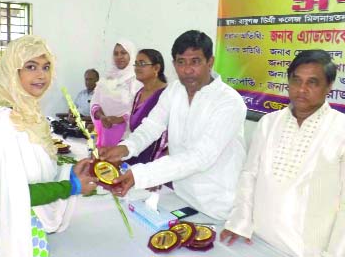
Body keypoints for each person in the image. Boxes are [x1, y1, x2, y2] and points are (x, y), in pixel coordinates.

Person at [0, 35, 98, 257]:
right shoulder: (3, 121)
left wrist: (68, 173)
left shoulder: (23, 113)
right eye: (31, 66)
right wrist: (71, 187)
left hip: (9, 224)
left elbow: (26, 173)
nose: (41, 75)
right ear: (12, 71)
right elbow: (12, 193)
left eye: (46, 67)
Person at [100, 30, 247, 220]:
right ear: (173, 64)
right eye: (181, 62)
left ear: (210, 62)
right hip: (181, 196)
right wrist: (125, 148)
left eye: (195, 61)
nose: (187, 70)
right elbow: (152, 126)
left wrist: (140, 175)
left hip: (218, 205)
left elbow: (200, 157)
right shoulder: (174, 90)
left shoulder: (229, 102)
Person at [220, 50, 345, 257]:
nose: (302, 89)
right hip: (257, 240)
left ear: (328, 87)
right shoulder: (269, 122)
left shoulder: (340, 129)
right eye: (296, 81)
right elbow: (249, 175)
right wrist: (240, 222)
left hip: (308, 250)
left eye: (312, 82)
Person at [90, 39, 142, 147]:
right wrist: (102, 116)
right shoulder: (107, 78)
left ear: (131, 55)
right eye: (116, 53)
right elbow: (95, 102)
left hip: (126, 136)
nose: (119, 57)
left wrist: (120, 119)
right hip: (105, 132)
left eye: (123, 53)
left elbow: (139, 109)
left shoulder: (137, 80)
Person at [125, 49, 167, 165]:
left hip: (156, 160)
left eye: (142, 64)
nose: (137, 68)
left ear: (156, 68)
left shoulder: (166, 94)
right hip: (136, 153)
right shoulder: (139, 93)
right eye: (136, 64)